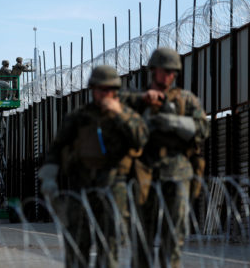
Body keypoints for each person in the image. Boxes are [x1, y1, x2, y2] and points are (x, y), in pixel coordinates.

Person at [39, 65, 148, 268]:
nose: (105, 94)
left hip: (114, 188)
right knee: (77, 248)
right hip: (81, 187)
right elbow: (57, 147)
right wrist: (49, 176)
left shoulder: (127, 116)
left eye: (110, 89)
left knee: (109, 251)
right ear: (93, 89)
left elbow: (141, 140)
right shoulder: (79, 117)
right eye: (101, 89)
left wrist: (120, 115)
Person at [121, 47, 209, 268]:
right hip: (143, 172)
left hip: (177, 171)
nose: (169, 76)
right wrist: (143, 101)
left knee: (173, 237)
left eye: (173, 72)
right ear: (154, 71)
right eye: (165, 70)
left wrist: (176, 122)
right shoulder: (135, 98)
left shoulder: (186, 100)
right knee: (142, 238)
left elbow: (203, 128)